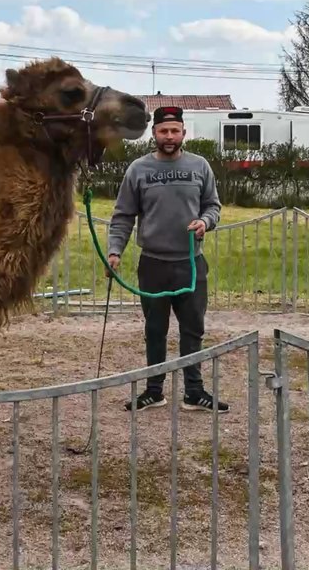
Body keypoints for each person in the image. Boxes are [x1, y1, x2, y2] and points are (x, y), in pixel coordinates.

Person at [106, 105, 228, 413]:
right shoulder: (138, 169)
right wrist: (114, 251)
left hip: (191, 264)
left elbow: (213, 206)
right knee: (155, 330)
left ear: (184, 133)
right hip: (153, 265)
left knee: (193, 329)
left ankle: (194, 392)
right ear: (154, 134)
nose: (169, 136)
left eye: (175, 131)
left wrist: (205, 222)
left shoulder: (200, 166)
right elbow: (123, 216)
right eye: (164, 131)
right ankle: (154, 391)